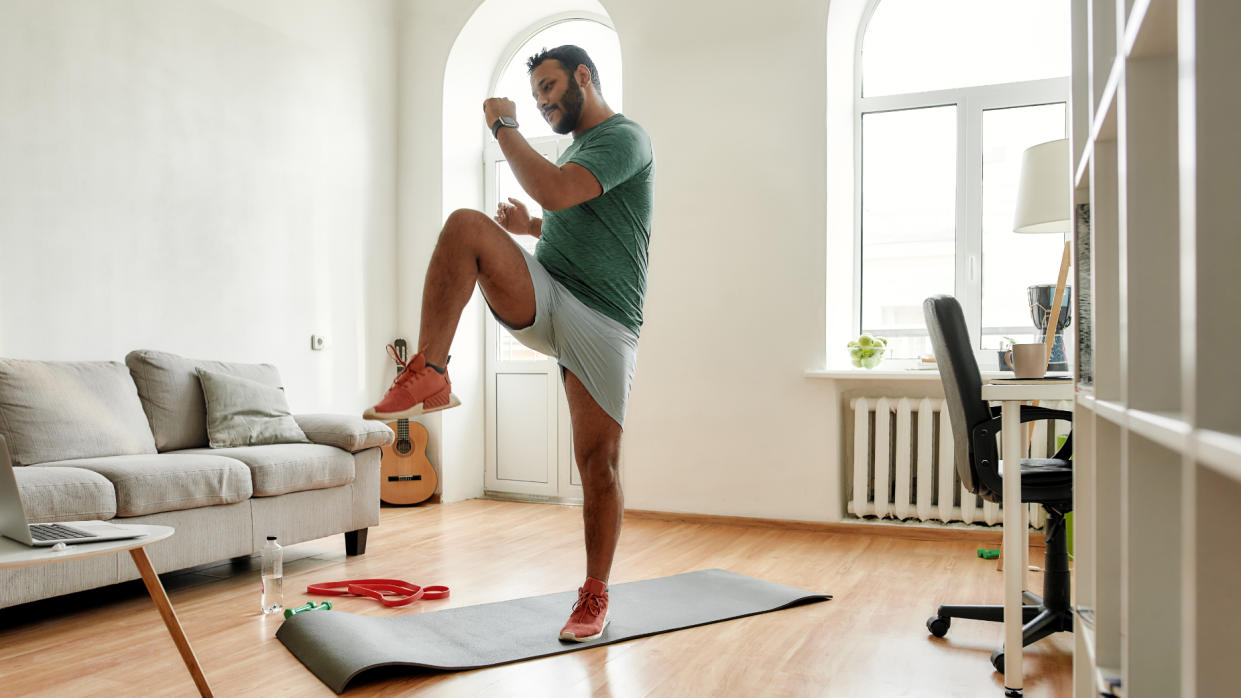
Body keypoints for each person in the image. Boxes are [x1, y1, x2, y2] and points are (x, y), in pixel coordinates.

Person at [364, 44, 655, 642]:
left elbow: (556, 189)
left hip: (603, 320)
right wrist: (532, 230)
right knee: (468, 226)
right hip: (549, 293)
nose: (543, 104)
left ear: (582, 76)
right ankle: (431, 369)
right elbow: (571, 213)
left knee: (596, 464)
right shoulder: (578, 149)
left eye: (549, 89)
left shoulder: (625, 138)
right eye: (535, 96)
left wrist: (502, 125)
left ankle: (595, 594)